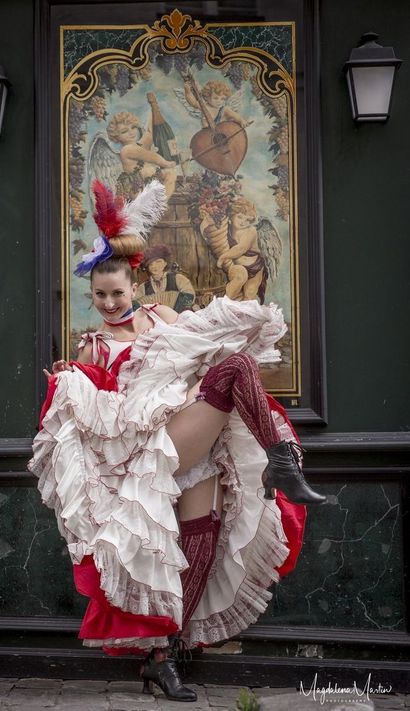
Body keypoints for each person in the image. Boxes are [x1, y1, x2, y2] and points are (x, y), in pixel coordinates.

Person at [28, 180, 325, 703]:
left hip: (188, 432)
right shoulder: (93, 344)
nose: (109, 303)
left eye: (117, 293)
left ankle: (163, 660)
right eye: (99, 296)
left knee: (200, 537)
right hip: (150, 445)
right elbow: (94, 408)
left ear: (136, 287)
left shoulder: (160, 318)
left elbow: (205, 346)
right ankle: (284, 461)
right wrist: (68, 374)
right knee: (235, 370)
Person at [134, 243, 196, 312]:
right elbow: (135, 305)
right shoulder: (143, 287)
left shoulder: (178, 279)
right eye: (151, 264)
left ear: (165, 263)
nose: (155, 266)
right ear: (147, 267)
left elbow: (189, 298)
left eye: (158, 262)